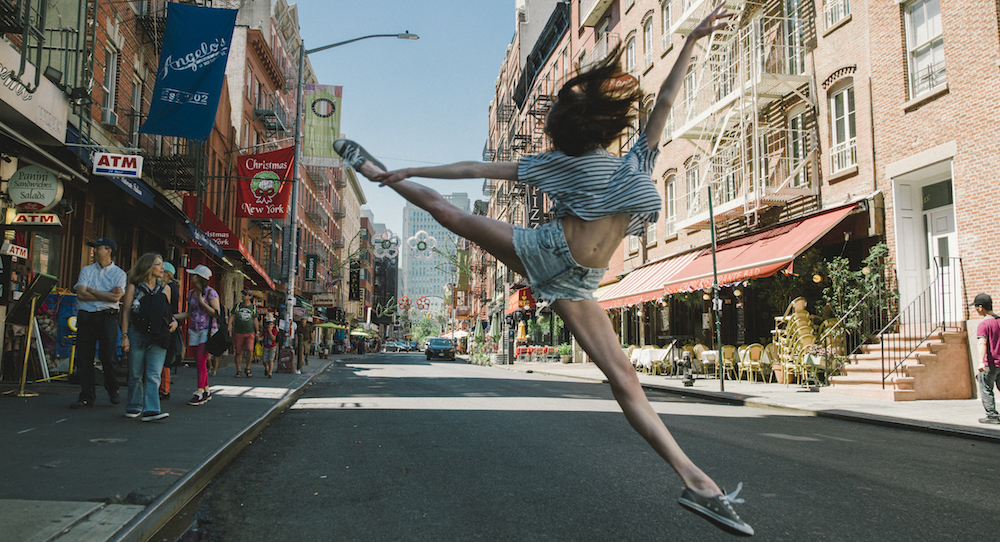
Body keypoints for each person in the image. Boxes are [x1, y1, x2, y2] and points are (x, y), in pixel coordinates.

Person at [334, 6, 751, 537]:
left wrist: (689, 40)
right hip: (544, 250)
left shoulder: (637, 158)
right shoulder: (567, 163)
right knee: (455, 215)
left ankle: (699, 485)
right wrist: (411, 168)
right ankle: (378, 172)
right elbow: (476, 169)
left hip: (580, 282)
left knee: (624, 379)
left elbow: (664, 99)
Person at [70, 237, 126, 409]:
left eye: (98, 248)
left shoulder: (119, 274)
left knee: (108, 356)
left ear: (109, 251)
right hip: (87, 316)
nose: (94, 251)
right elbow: (80, 294)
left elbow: (116, 297)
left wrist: (91, 291)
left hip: (107, 317)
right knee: (84, 356)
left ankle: (112, 388)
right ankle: (87, 395)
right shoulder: (86, 270)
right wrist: (106, 294)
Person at [120, 253, 177, 422]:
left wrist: (173, 322)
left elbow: (166, 312)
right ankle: (134, 405)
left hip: (158, 335)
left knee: (153, 374)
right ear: (148, 267)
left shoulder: (165, 288)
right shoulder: (134, 287)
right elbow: (126, 312)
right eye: (158, 264)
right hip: (136, 333)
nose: (162, 268)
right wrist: (124, 336)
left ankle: (152, 409)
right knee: (135, 373)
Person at [174, 264, 220, 406]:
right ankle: (206, 390)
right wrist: (173, 316)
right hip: (193, 329)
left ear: (200, 277)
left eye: (194, 274)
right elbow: (189, 313)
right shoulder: (191, 293)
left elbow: (217, 313)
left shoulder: (211, 293)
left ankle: (199, 392)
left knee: (200, 359)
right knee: (198, 360)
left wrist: (203, 304)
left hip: (207, 330)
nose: (191, 276)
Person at [972, 293, 1000, 424]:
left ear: (980, 307)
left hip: (990, 363)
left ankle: (992, 416)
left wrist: (980, 362)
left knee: (986, 388)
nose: (976, 310)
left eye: (976, 307)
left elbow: (982, 343)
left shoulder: (984, 324)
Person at [159, 262, 182, 401]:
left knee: (164, 358)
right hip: (171, 323)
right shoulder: (173, 287)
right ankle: (164, 388)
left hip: (167, 324)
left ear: (166, 274)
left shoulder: (168, 288)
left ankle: (164, 388)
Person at [229, 289, 260, 377]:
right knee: (238, 352)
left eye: (245, 295)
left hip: (250, 332)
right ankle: (238, 370)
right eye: (243, 294)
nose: (243, 296)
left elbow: (255, 320)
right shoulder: (238, 305)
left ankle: (247, 367)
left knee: (250, 350)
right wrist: (228, 326)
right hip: (238, 332)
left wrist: (257, 332)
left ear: (250, 297)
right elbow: (232, 316)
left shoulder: (253, 308)